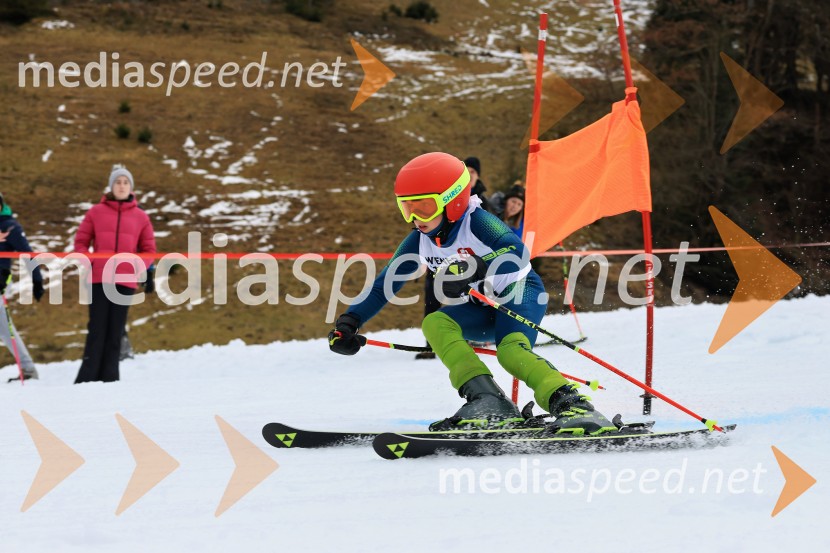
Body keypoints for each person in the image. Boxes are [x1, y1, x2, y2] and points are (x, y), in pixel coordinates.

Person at [328, 152, 614, 434]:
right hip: (481, 306)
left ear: (452, 202)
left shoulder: (477, 221)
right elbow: (383, 286)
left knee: (511, 352)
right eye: (407, 208)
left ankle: (571, 404)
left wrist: (476, 266)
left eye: (424, 207)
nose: (415, 218)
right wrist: (349, 322)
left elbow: (518, 253)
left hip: (519, 293)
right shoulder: (419, 240)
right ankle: (488, 400)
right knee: (435, 323)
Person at [74, 167, 156, 383]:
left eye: (125, 182)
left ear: (131, 187)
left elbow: (149, 249)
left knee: (116, 331)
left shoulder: (141, 217)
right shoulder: (95, 212)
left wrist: (140, 267)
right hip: (99, 278)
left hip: (125, 281)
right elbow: (80, 243)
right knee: (97, 328)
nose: (121, 185)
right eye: (118, 182)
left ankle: (110, 379)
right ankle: (86, 379)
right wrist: (89, 259)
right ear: (111, 186)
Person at [0, 193, 45, 381]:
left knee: (3, 326)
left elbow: (27, 252)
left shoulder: (10, 226)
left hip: (1, 280)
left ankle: (28, 369)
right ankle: (27, 368)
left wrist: (37, 279)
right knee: (2, 328)